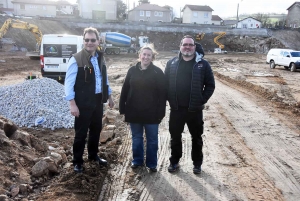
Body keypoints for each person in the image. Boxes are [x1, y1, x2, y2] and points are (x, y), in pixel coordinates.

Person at [65, 27, 114, 173]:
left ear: (98, 41)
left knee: (96, 130)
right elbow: (68, 83)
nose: (89, 43)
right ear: (83, 40)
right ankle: (78, 162)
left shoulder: (100, 57)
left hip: (98, 101)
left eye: (93, 40)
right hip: (83, 102)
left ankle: (93, 156)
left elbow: (104, 79)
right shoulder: (76, 58)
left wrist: (110, 96)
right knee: (81, 133)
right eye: (87, 40)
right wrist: (72, 104)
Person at [165, 35, 215, 174]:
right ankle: (174, 162)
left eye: (190, 45)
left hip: (195, 110)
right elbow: (165, 84)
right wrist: (169, 99)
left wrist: (201, 100)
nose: (187, 47)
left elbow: (210, 85)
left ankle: (197, 164)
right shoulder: (172, 63)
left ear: (195, 47)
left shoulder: (203, 64)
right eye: (185, 44)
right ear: (180, 47)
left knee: (197, 138)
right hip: (176, 109)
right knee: (175, 137)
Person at [119, 44, 166, 172]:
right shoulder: (132, 71)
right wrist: (122, 108)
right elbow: (125, 90)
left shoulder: (157, 72)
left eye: (148, 55)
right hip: (134, 112)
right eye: (144, 54)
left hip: (151, 113)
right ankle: (137, 160)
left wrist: (161, 112)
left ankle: (151, 164)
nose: (146, 57)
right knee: (136, 138)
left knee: (152, 140)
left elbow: (163, 95)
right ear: (139, 55)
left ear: (152, 57)